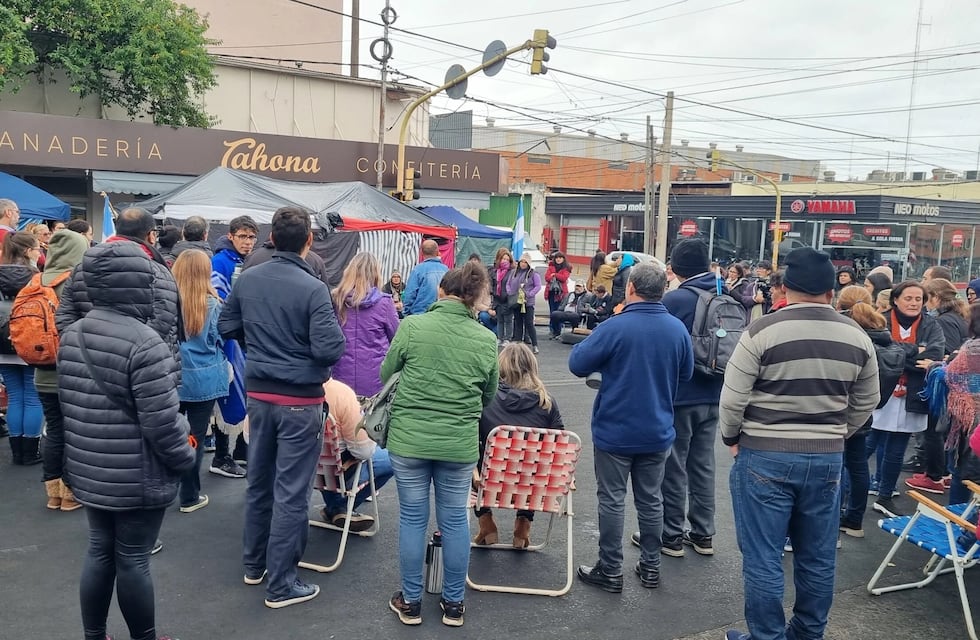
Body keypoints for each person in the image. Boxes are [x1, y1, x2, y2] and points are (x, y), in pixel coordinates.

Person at [720, 247, 879, 640]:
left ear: (785, 287)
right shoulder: (856, 335)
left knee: (763, 557)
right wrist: (838, 433)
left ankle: (768, 636)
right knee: (817, 556)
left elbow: (733, 398)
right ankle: (807, 633)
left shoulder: (762, 330)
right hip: (826, 458)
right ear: (831, 289)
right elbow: (867, 400)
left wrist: (732, 437)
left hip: (764, 455)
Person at [59, 239, 195, 640]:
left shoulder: (74, 334)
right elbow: (163, 423)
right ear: (139, 282)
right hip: (136, 474)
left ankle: (95, 635)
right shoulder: (145, 342)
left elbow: (72, 406)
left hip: (89, 467)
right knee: (133, 558)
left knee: (100, 551)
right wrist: (185, 459)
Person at [218, 206, 346, 609]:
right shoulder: (312, 287)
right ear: (309, 241)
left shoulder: (249, 277)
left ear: (271, 237)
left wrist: (260, 343)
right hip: (298, 400)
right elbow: (330, 347)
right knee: (291, 492)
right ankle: (281, 583)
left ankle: (255, 566)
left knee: (259, 483)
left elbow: (227, 326)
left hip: (261, 395)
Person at [382, 262, 498, 628]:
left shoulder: (412, 326)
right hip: (458, 444)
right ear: (474, 298)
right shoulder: (485, 339)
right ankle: (454, 603)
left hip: (409, 439)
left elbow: (387, 373)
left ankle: (411, 601)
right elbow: (490, 394)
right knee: (455, 520)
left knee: (413, 519)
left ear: (441, 291)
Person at [570, 262, 694, 593]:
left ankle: (610, 569)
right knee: (651, 499)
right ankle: (651, 566)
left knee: (612, 499)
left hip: (615, 429)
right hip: (657, 429)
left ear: (630, 288)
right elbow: (686, 375)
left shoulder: (616, 326)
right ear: (662, 291)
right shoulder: (677, 329)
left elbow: (577, 362)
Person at [631, 240, 722, 558]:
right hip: (715, 393)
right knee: (704, 464)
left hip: (683, 395)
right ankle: (703, 533)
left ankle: (670, 534)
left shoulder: (676, 299)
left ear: (677, 268)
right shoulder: (726, 295)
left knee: (674, 465)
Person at [866, 281, 945, 518]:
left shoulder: (932, 325)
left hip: (913, 394)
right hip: (881, 391)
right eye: (908, 298)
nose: (913, 303)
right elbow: (875, 352)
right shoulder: (879, 319)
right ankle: (847, 492)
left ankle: (885, 495)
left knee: (897, 449)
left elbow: (935, 355)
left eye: (918, 299)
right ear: (896, 300)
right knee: (866, 444)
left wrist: (896, 353)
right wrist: (914, 352)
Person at [473, 342, 563, 548]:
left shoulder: (485, 399)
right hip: (532, 487)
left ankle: (486, 522)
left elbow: (469, 438)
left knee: (473, 456)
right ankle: (523, 525)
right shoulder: (547, 402)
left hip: (489, 483)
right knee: (534, 459)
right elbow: (558, 444)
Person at [836, 287, 898, 538]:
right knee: (859, 467)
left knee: (837, 468)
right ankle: (854, 521)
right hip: (866, 411)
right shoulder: (883, 333)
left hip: (840, 408)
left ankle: (832, 522)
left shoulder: (848, 334)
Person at [36, 229, 89, 510]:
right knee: (75, 432)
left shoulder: (35, 281)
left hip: (41, 370)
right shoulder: (75, 283)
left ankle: (52, 493)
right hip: (72, 371)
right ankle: (70, 494)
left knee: (54, 429)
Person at [172, 250, 229, 514]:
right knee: (194, 436)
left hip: (171, 376)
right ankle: (189, 495)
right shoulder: (213, 304)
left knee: (166, 435)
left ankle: (163, 489)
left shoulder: (166, 301)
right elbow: (221, 340)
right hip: (204, 379)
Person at [904, 277, 970, 495]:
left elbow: (948, 353)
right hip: (954, 384)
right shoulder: (957, 317)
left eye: (924, 297)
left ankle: (936, 476)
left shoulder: (944, 321)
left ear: (935, 297)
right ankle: (941, 473)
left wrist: (928, 356)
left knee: (934, 430)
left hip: (942, 383)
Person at [210, 214, 259, 479]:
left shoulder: (249, 260)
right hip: (226, 339)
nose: (247, 242)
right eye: (242, 236)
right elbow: (219, 301)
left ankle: (241, 448)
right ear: (231, 236)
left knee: (247, 396)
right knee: (226, 396)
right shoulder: (220, 261)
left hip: (246, 339)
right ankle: (221, 454)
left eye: (251, 237)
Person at [318, 377, 394, 531]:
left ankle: (337, 508)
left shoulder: (285, 389)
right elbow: (363, 452)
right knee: (392, 458)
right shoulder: (340, 393)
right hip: (337, 473)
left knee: (325, 455)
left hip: (299, 471)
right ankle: (339, 507)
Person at [0, 232, 44, 465]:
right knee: (33, 396)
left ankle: (17, 451)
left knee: (15, 395)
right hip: (30, 340)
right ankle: (31, 450)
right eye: (38, 248)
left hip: (2, 342)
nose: (40, 252)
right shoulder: (36, 277)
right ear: (28, 251)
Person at [330, 252, 400, 397]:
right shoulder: (385, 303)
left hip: (340, 375)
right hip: (375, 378)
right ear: (375, 273)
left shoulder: (336, 300)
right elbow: (397, 340)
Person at [402, 239, 449, 316]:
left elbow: (410, 294)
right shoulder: (446, 270)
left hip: (420, 315)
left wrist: (406, 313)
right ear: (438, 252)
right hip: (441, 315)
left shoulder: (418, 270)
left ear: (421, 253)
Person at [507, 253, 542, 354]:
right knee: (518, 323)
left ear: (528, 263)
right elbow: (508, 284)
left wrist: (529, 294)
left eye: (525, 262)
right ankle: (518, 344)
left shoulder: (533, 274)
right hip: (516, 301)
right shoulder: (514, 272)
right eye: (521, 261)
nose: (523, 264)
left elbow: (538, 286)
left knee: (529, 324)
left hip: (528, 303)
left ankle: (535, 345)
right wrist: (510, 292)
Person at [488, 248, 515, 346]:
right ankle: (500, 338)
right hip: (497, 299)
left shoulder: (511, 272)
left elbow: (513, 285)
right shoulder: (495, 271)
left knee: (508, 320)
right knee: (500, 320)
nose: (505, 261)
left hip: (507, 299)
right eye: (503, 259)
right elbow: (492, 284)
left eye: (507, 259)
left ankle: (507, 338)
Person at [544, 252, 572, 338]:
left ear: (563, 259)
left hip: (561, 294)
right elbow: (547, 278)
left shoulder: (566, 268)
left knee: (559, 312)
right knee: (552, 311)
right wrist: (552, 276)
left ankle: (558, 331)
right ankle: (552, 330)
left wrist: (554, 275)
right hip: (551, 292)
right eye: (557, 258)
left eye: (560, 257)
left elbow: (564, 278)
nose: (558, 259)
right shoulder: (550, 267)